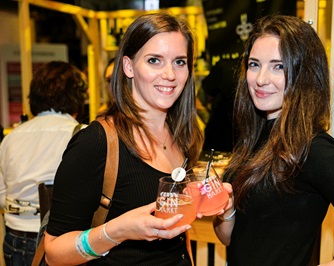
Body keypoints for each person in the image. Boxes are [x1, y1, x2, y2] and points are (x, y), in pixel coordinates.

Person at [213, 15, 334, 266]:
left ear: (304, 74)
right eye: (254, 64)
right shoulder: (255, 137)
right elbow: (230, 239)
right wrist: (226, 212)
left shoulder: (312, 148)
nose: (261, 78)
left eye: (278, 66)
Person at [44, 12, 203, 265]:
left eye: (180, 62)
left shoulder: (182, 136)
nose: (170, 74)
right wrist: (116, 231)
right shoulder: (96, 142)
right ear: (128, 66)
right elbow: (53, 252)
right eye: (154, 60)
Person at [0, 61, 88, 266]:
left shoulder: (11, 137)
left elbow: (2, 195)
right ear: (76, 95)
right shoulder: (83, 134)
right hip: (59, 240)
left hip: (15, 237)